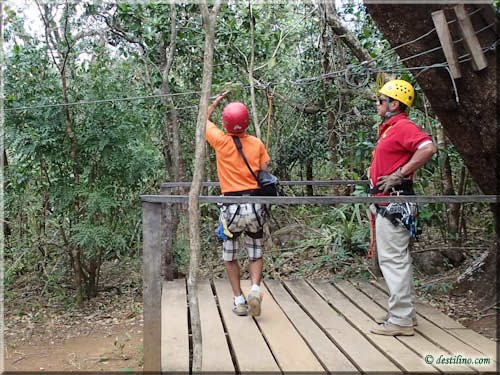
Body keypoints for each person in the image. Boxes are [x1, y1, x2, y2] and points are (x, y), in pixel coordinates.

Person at [368, 79, 436, 336]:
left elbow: (428, 147)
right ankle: (403, 314)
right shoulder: (390, 128)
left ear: (394, 104)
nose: (378, 104)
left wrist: (400, 174)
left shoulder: (403, 127)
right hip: (388, 202)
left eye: (382, 101)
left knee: (394, 261)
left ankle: (401, 320)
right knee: (396, 260)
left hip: (395, 203)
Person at [205, 91, 269, 317]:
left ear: (225, 123)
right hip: (254, 206)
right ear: (247, 122)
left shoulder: (220, 141)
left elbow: (202, 118)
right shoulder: (256, 144)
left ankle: (239, 300)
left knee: (230, 256)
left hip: (230, 210)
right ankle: (254, 288)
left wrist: (215, 102)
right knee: (255, 252)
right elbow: (263, 170)